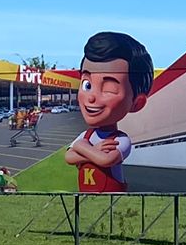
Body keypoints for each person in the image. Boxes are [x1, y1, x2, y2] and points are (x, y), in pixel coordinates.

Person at [64, 31, 153, 193]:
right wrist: (92, 149)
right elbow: (68, 158)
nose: (91, 98)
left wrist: (82, 147)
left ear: (136, 103)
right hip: (86, 195)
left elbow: (106, 160)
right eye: (87, 85)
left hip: (112, 197)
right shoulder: (86, 136)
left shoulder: (120, 140)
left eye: (109, 88)